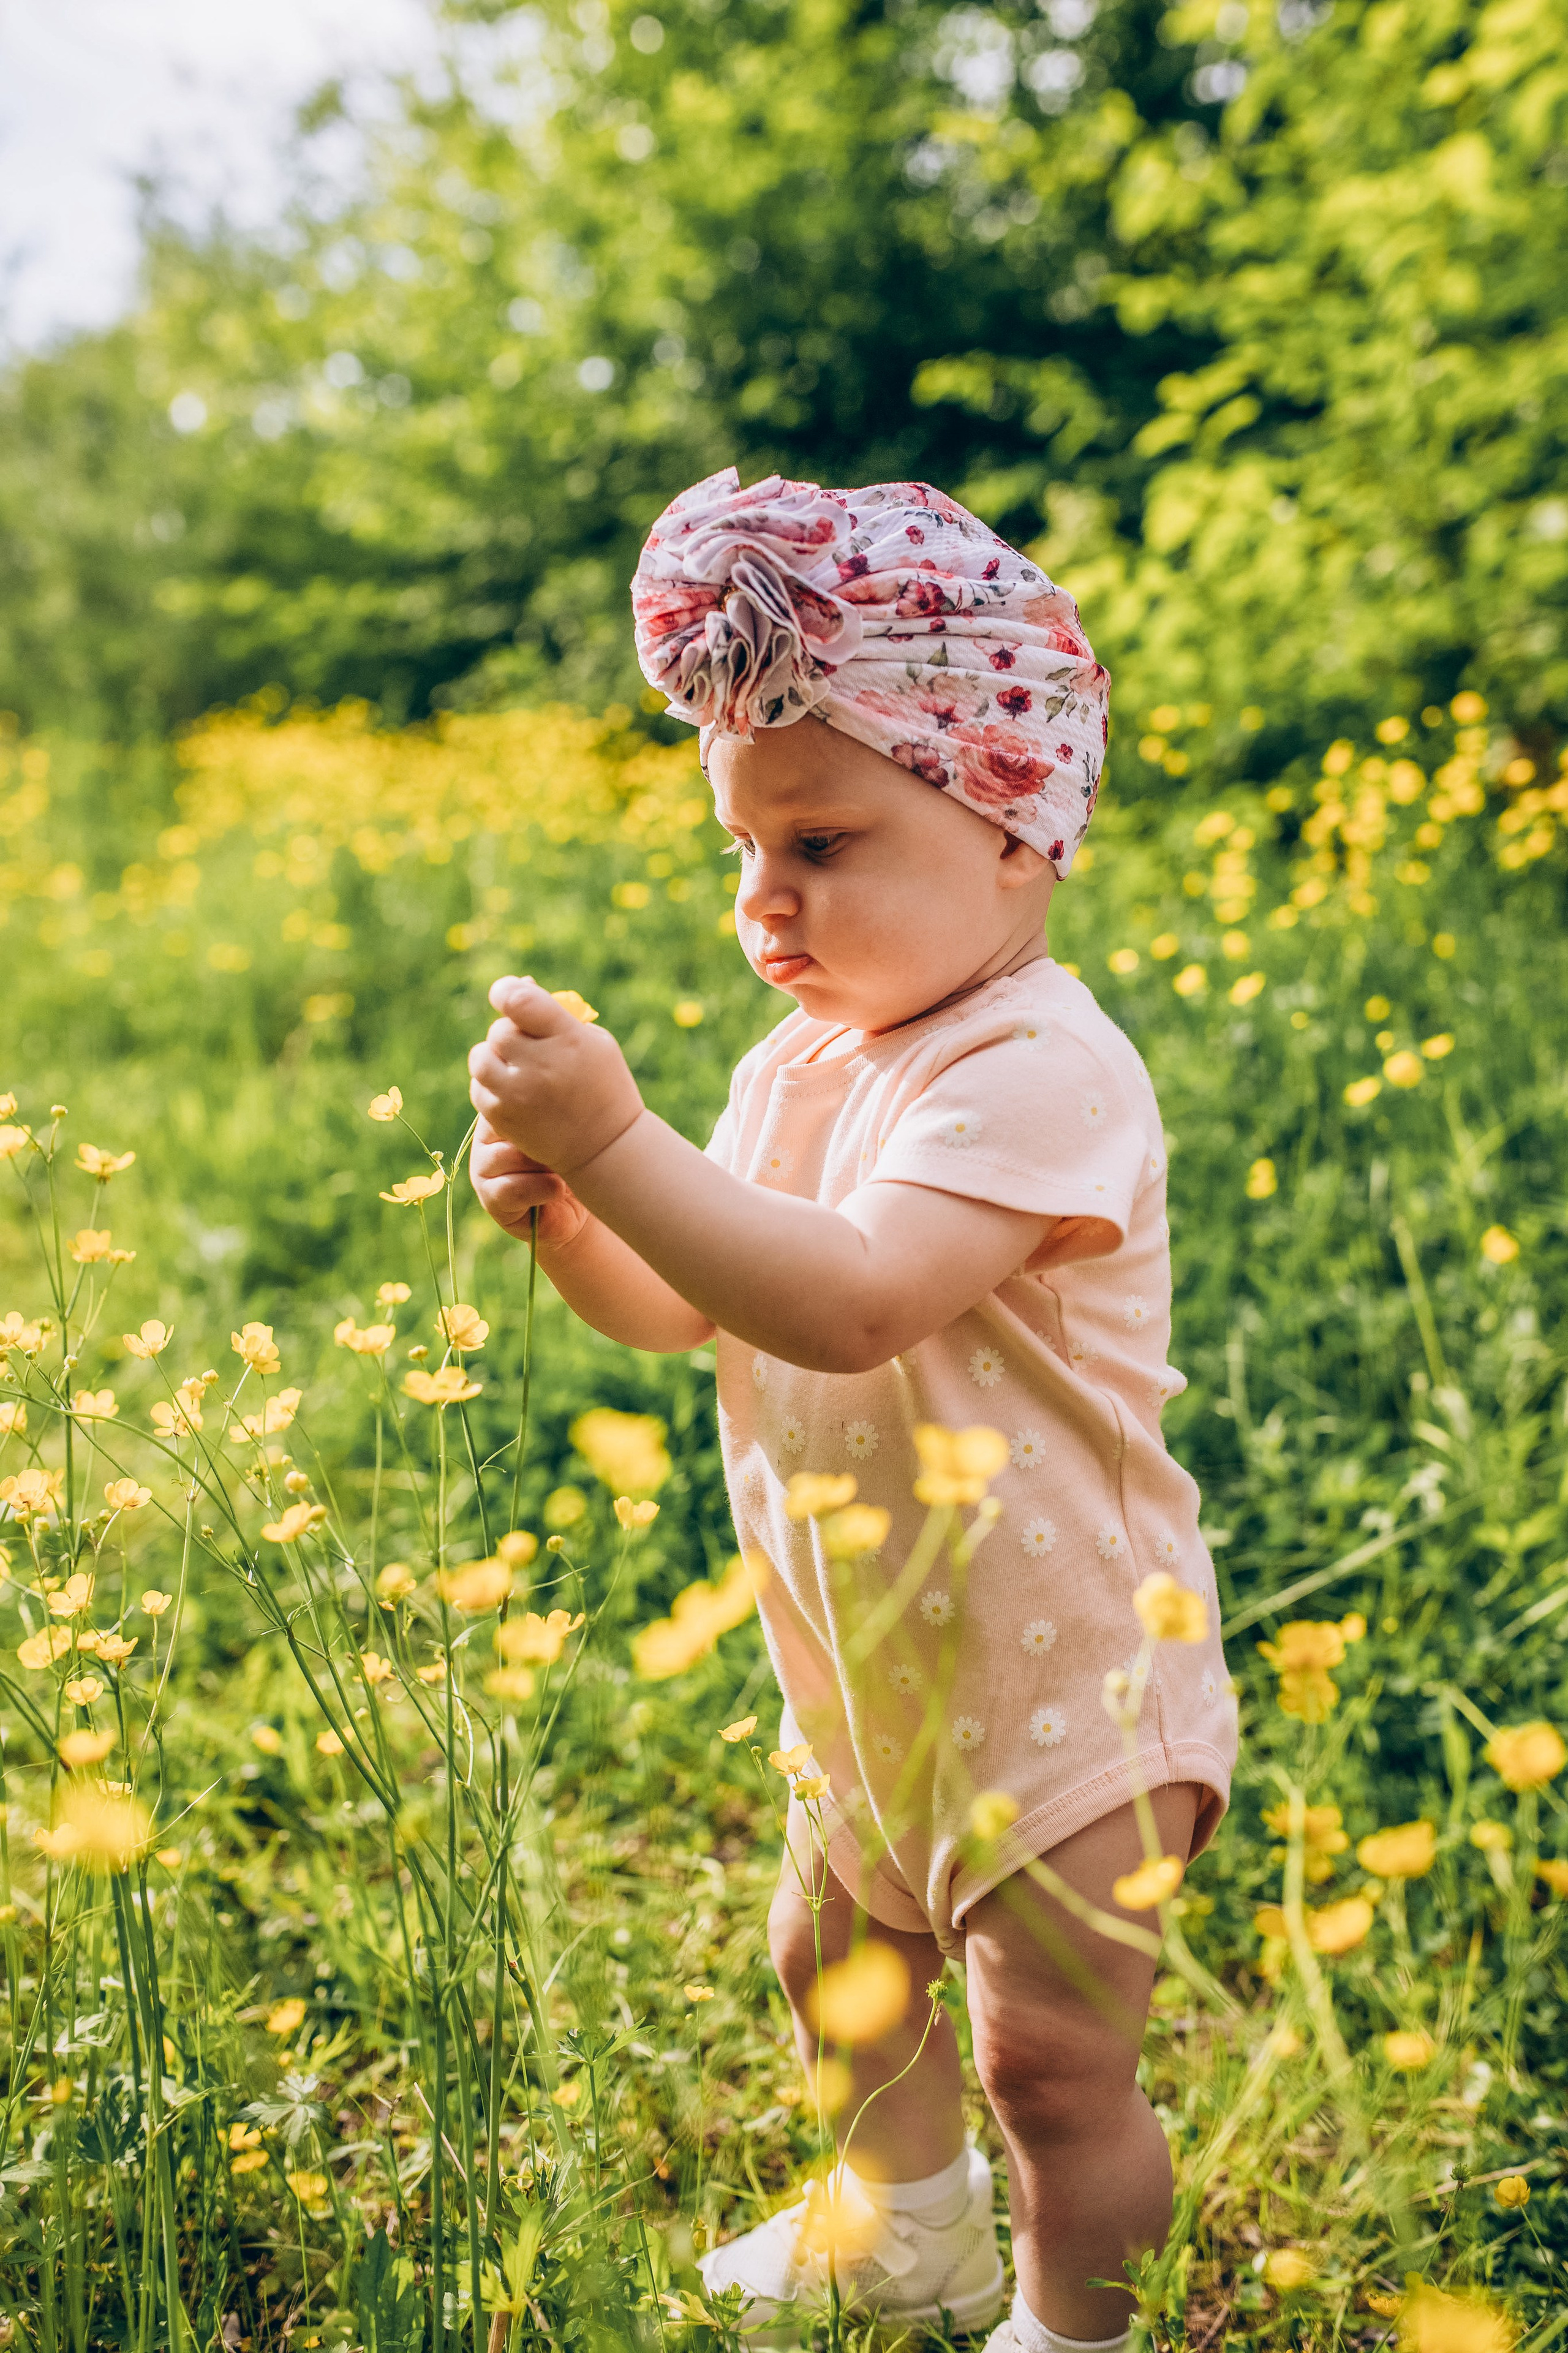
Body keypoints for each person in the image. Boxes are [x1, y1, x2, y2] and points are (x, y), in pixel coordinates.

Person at [467, 469, 1236, 2353]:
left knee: (1053, 2059)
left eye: (825, 840)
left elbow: (855, 1295)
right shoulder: (801, 1062)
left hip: (1072, 1686)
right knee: (836, 1968)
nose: (767, 897)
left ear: (1014, 832)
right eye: (745, 849)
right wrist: (581, 1213)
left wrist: (626, 1138)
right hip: (883, 1665)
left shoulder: (1043, 1063)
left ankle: (1075, 2329)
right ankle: (906, 2228)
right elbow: (688, 1302)